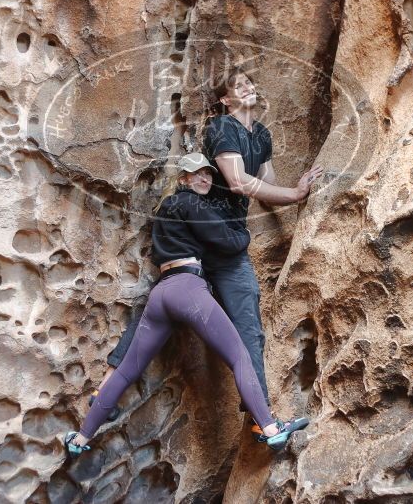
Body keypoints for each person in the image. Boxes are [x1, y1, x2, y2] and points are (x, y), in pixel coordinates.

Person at [91, 67, 324, 439]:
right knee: (158, 309)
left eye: (251, 82)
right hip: (203, 237)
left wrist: (297, 192)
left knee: (249, 327)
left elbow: (267, 185)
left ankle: (261, 419)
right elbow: (237, 182)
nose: (249, 87)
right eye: (240, 85)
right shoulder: (222, 128)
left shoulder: (261, 135)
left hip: (230, 244)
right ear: (225, 100)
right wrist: (294, 195)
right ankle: (105, 386)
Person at [64, 154, 309, 457]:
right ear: (183, 179)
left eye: (207, 174)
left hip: (161, 292)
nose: (204, 179)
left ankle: (80, 439)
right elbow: (230, 242)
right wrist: (243, 232)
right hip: (187, 289)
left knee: (127, 372)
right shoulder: (192, 203)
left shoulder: (165, 209)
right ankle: (271, 429)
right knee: (240, 356)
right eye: (197, 174)